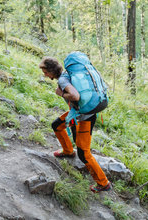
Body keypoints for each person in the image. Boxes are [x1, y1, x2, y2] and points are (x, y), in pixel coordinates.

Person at [39, 56, 111, 193]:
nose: (45, 75)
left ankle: (103, 183)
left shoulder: (63, 79)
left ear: (51, 71)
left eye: (45, 72)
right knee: (57, 125)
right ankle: (68, 151)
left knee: (84, 153)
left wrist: (61, 94)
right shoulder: (66, 75)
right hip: (77, 113)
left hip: (86, 117)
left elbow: (75, 96)